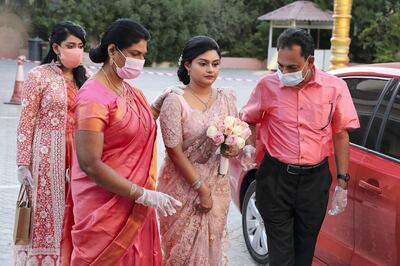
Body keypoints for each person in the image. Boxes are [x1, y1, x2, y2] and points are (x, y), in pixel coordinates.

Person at [240, 28, 360, 266]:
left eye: (292, 67)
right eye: (280, 66)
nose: (284, 73)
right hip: (275, 179)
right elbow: (248, 118)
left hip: (314, 182)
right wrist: (249, 147)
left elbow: (340, 134)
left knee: (304, 254)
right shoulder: (267, 85)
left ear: (310, 61)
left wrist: (342, 185)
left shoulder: (334, 88)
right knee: (281, 257)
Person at [68, 19, 181, 266]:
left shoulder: (130, 90)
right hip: (103, 206)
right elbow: (89, 163)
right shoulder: (92, 98)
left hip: (134, 202)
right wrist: (141, 194)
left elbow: (129, 127)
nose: (140, 61)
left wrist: (156, 107)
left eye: (143, 55)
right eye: (134, 54)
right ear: (112, 51)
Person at [152, 36, 238, 266]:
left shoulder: (226, 97)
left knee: (211, 248)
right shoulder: (175, 101)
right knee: (181, 253)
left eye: (215, 64)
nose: (211, 69)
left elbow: (236, 137)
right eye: (203, 63)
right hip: (183, 185)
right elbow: (173, 151)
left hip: (217, 185)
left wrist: (232, 148)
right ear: (188, 65)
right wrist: (201, 189)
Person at [14, 21, 88, 266]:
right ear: (56, 47)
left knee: (75, 212)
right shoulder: (39, 76)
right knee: (47, 213)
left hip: (79, 156)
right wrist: (23, 164)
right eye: (70, 45)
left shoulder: (85, 76)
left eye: (80, 45)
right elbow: (26, 122)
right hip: (47, 155)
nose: (76, 50)